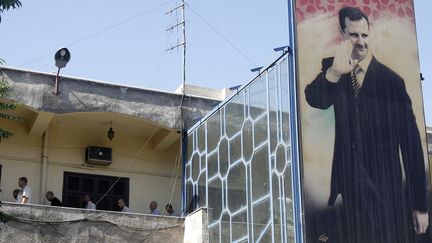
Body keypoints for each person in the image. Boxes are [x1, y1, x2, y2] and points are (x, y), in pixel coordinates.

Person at [304, 6, 428, 243]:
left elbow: (412, 144)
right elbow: (314, 99)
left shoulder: (392, 82)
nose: (361, 42)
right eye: (353, 35)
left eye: (364, 35)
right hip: (347, 188)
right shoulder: (334, 67)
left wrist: (420, 206)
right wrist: (333, 73)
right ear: (342, 33)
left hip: (384, 188)